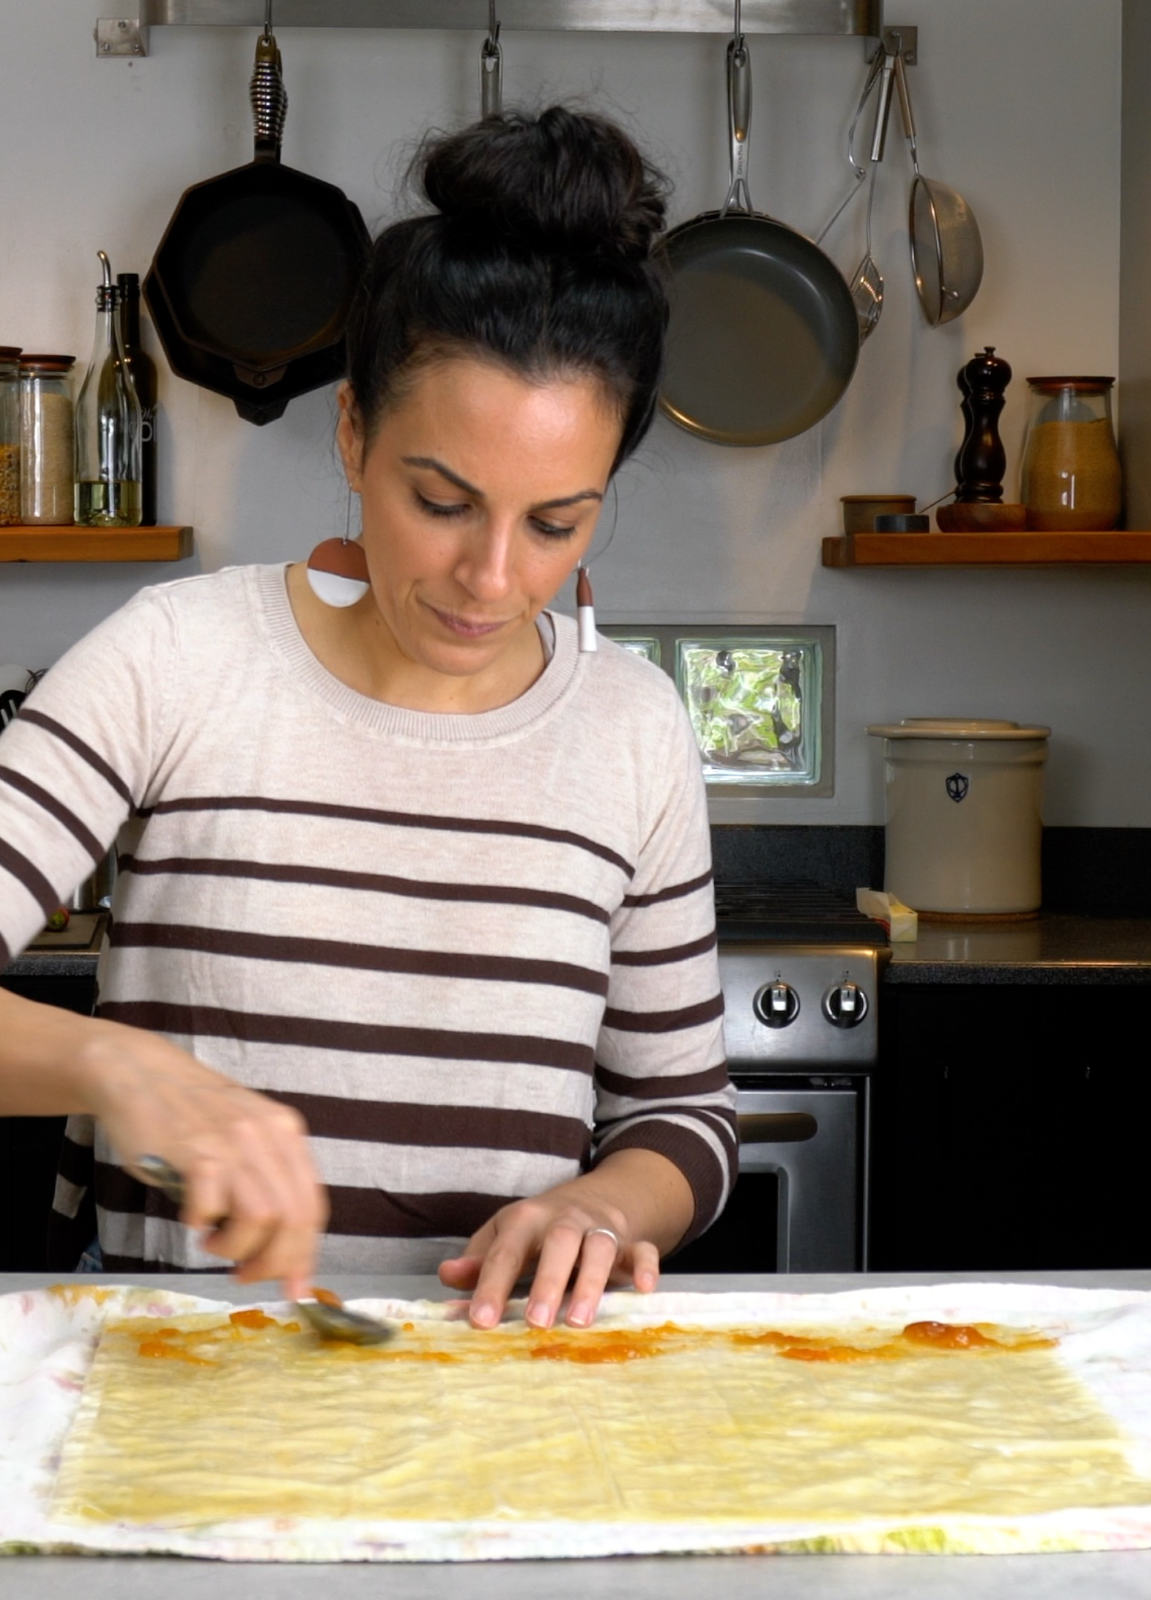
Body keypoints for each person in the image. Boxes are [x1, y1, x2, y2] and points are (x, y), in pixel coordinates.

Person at [0, 105, 735, 1331]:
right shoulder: (178, 658)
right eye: (441, 499)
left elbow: (681, 1118)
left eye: (556, 523)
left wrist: (604, 1207)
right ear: (352, 431)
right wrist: (111, 1066)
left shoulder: (634, 729)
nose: (490, 577)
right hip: (173, 1382)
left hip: (489, 1388)